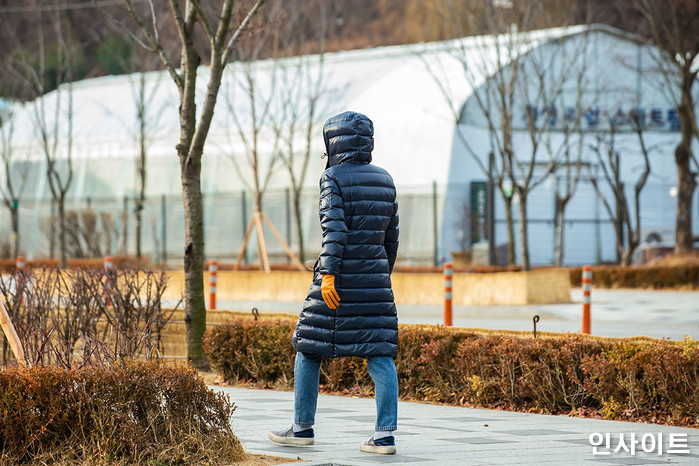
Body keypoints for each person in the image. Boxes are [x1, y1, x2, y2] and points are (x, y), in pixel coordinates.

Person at [269, 111, 400, 455]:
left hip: (337, 280)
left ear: (333, 142)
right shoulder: (385, 179)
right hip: (375, 283)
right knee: (380, 353)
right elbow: (392, 238)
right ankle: (384, 436)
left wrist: (327, 274)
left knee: (307, 347)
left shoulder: (332, 178)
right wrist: (380, 276)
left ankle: (302, 428)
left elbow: (335, 232)